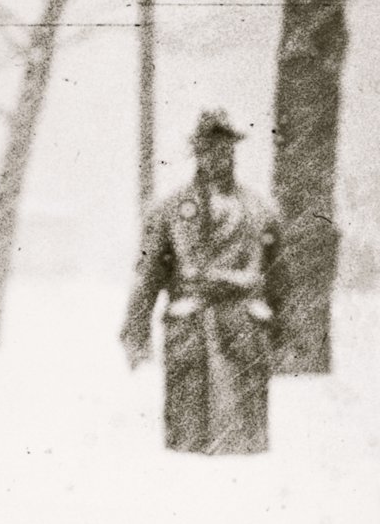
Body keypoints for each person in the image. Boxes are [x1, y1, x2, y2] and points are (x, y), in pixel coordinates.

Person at [121, 109, 287, 454]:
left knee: (244, 447)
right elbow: (148, 276)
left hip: (243, 329)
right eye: (208, 147)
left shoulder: (259, 210)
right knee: (189, 444)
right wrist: (136, 333)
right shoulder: (169, 211)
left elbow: (280, 280)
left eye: (225, 147)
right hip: (192, 329)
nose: (217, 156)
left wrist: (286, 335)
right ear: (196, 151)